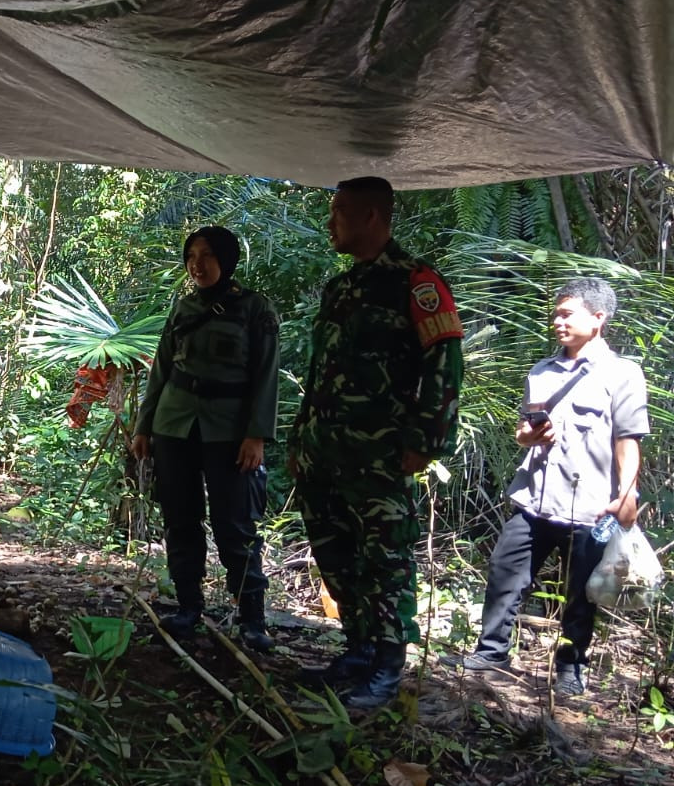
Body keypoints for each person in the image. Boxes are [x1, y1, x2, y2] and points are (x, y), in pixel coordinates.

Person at [289, 177, 464, 709]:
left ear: (371, 216)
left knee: (384, 559)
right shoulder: (340, 288)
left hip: (381, 454)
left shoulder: (416, 283)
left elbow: (444, 364)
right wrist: (300, 439)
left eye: (339, 212)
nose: (330, 222)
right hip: (325, 451)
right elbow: (321, 373)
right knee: (336, 555)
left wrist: (427, 440)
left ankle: (387, 667)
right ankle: (358, 650)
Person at [440, 279, 647, 696]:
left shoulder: (623, 374)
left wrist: (627, 494)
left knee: (581, 593)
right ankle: (492, 652)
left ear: (598, 318)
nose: (558, 322)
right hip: (534, 498)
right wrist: (527, 436)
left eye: (567, 314)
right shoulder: (542, 372)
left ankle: (571, 668)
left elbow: (628, 440)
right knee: (505, 572)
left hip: (590, 508)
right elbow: (523, 430)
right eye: (556, 314)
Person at [132, 225, 281, 651]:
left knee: (235, 523)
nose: (197, 265)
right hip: (174, 424)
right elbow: (162, 369)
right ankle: (188, 607)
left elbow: (266, 375)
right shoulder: (183, 309)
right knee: (180, 518)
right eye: (192, 256)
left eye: (208, 255)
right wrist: (144, 425)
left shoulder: (255, 308)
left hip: (229, 431)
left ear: (227, 260)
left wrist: (256, 435)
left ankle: (252, 619)